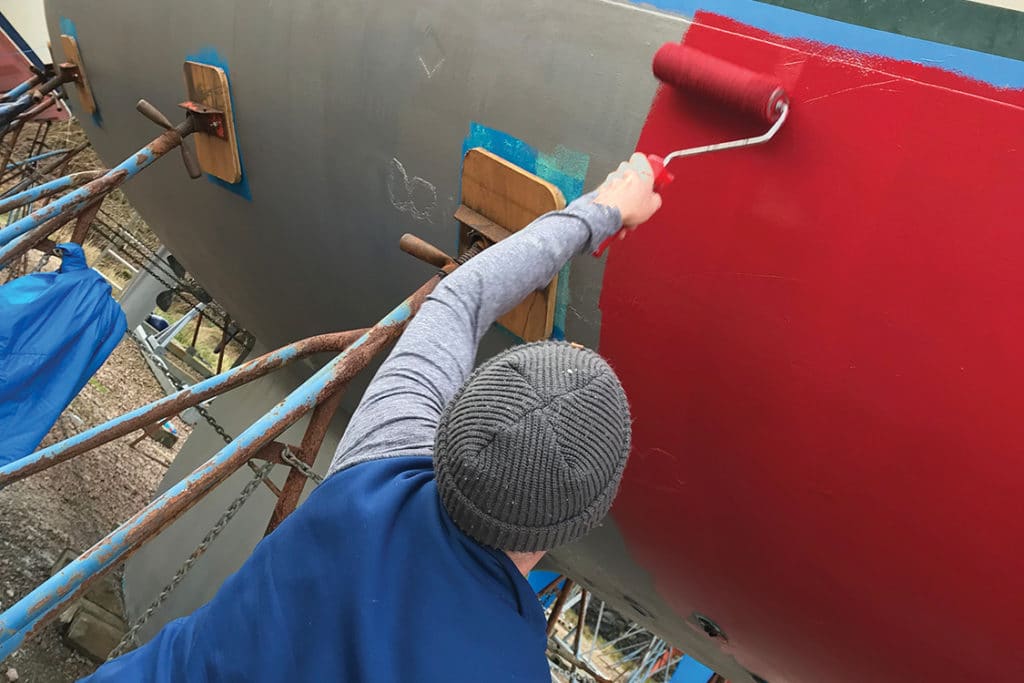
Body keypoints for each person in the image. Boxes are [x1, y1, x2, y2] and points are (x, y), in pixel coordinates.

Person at [82, 153, 662, 682]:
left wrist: (600, 210)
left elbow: (459, 301)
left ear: (453, 417)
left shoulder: (380, 461)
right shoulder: (512, 669)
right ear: (580, 521)